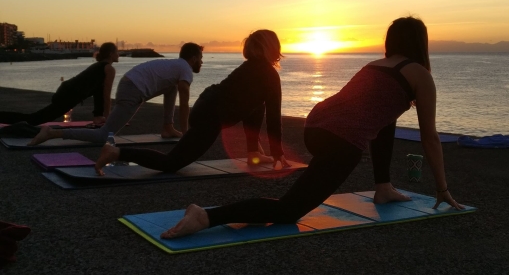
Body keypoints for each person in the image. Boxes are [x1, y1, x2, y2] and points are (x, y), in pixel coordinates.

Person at [158, 16, 465, 240]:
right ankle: (206, 215)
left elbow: (382, 119)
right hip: (340, 140)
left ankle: (383, 189)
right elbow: (430, 136)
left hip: (315, 125)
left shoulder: (376, 66)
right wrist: (442, 188)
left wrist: (381, 183)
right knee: (289, 210)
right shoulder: (419, 74)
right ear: (420, 43)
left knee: (379, 122)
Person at [94, 29, 290, 175]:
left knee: (257, 104)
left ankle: (253, 153)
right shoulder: (268, 75)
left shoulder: (250, 67)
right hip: (210, 116)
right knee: (171, 163)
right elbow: (274, 118)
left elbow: (257, 110)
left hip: (206, 104)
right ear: (273, 48)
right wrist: (278, 154)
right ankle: (116, 152)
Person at [28, 42, 203, 145]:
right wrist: (187, 134)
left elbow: (176, 95)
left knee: (171, 87)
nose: (202, 62)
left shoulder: (176, 67)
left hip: (130, 84)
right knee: (104, 136)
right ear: (193, 58)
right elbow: (185, 105)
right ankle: (52, 133)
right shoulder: (185, 69)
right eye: (200, 58)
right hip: (132, 89)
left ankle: (167, 127)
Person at [0, 42, 119, 126]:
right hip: (68, 95)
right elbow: (106, 96)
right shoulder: (108, 68)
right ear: (110, 54)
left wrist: (99, 115)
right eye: (116, 52)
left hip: (66, 91)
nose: (118, 54)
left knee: (35, 118)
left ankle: (98, 117)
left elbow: (98, 92)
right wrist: (108, 119)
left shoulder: (100, 66)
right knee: (34, 120)